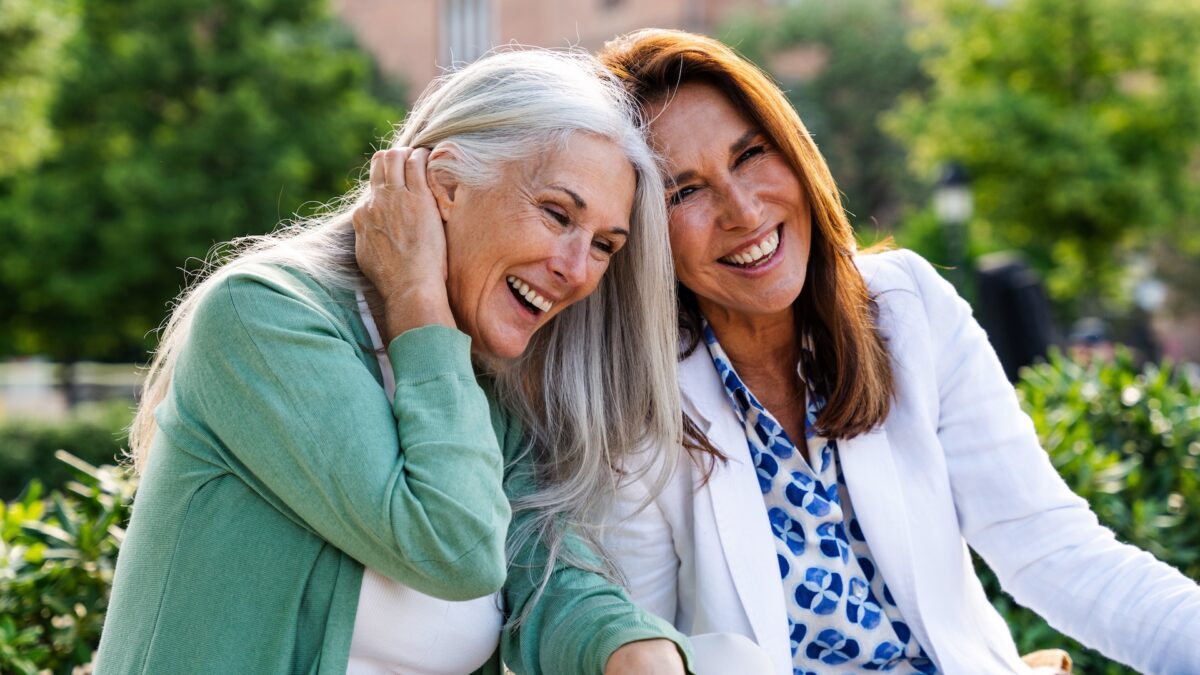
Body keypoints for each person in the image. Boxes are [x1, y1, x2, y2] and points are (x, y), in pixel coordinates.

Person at [594, 29, 1200, 674]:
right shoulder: (630, 400)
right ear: (641, 233)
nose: (742, 211)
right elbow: (647, 648)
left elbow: (1053, 551)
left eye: (751, 154)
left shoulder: (906, 305)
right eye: (683, 191)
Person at [94, 48, 690, 674]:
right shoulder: (260, 318)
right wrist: (417, 294)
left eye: (602, 245)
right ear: (445, 185)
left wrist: (631, 648)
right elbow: (454, 547)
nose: (574, 269)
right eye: (556, 213)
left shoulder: (481, 385)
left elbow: (542, 576)